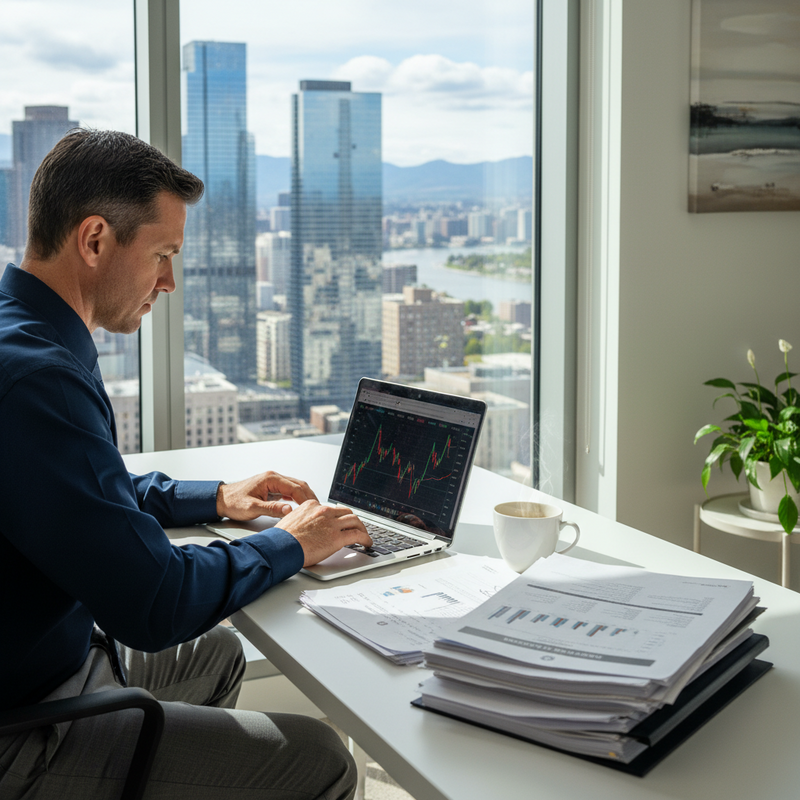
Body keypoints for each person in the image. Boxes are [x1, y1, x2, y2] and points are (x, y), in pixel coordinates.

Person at [0, 129, 373, 799]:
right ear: (94, 240)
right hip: (22, 730)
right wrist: (288, 544)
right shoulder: (36, 383)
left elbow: (79, 493)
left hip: (45, 664)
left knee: (219, 653)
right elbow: (156, 603)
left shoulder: (17, 337)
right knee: (321, 760)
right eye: (163, 254)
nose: (170, 282)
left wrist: (219, 498)